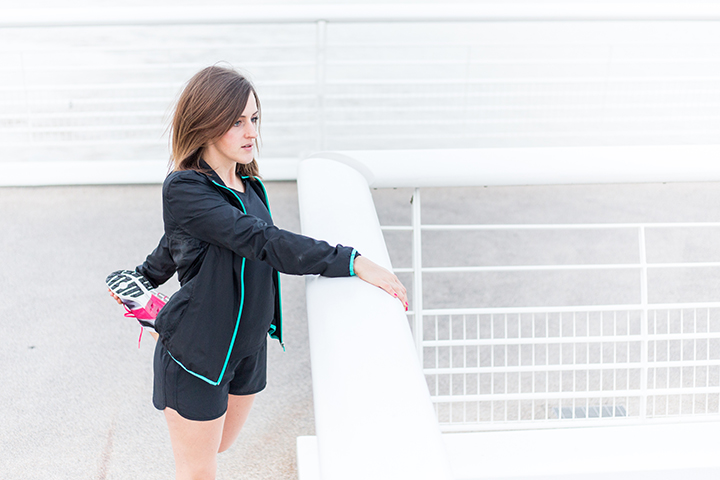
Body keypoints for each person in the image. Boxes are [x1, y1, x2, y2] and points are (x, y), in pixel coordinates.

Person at [107, 65, 408, 480]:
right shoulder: (184, 187)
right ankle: (167, 325)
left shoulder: (248, 184)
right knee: (198, 470)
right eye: (236, 122)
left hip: (248, 346)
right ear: (206, 123)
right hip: (198, 351)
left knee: (221, 442)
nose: (251, 132)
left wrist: (147, 274)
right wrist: (351, 260)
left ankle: (160, 317)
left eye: (254, 118)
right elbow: (261, 240)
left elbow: (187, 238)